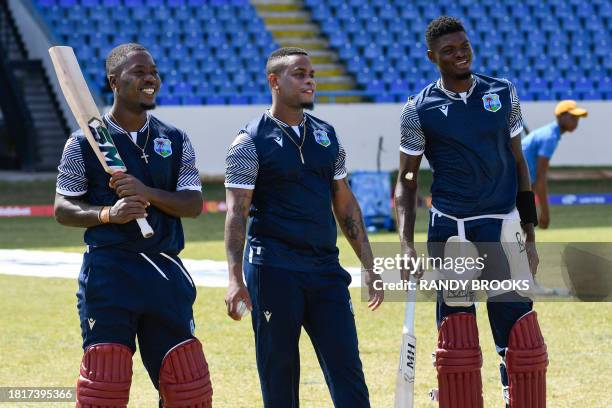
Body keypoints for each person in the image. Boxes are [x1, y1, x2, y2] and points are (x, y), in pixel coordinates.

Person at [395, 17, 548, 408]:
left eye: (463, 46)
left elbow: (519, 163)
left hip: (503, 225)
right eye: (448, 50)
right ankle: (457, 394)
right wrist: (406, 245)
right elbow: (407, 181)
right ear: (432, 57)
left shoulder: (502, 92)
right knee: (457, 328)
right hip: (451, 230)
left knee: (516, 326)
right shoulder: (418, 109)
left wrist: (529, 235)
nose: (460, 54)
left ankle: (514, 390)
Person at [223, 47, 384, 408]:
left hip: (325, 269)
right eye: (299, 73)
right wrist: (235, 278)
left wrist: (370, 265)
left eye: (311, 73)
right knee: (279, 375)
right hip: (274, 269)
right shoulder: (249, 140)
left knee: (348, 371)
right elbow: (236, 212)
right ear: (274, 82)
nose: (309, 80)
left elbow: (345, 204)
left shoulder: (327, 136)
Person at [54, 43, 212, 408]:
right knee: (104, 388)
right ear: (114, 81)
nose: (150, 78)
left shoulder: (174, 139)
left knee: (187, 389)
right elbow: (63, 208)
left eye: (153, 71)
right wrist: (108, 214)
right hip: (109, 271)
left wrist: (146, 193)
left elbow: (193, 204)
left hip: (164, 269)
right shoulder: (82, 143)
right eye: (139, 72)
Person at [522, 100, 588, 228]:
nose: (576, 121)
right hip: (513, 185)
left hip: (519, 186)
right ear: (560, 116)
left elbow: (534, 178)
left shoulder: (550, 134)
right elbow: (540, 176)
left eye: (578, 118)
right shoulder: (550, 137)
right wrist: (545, 213)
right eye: (573, 117)